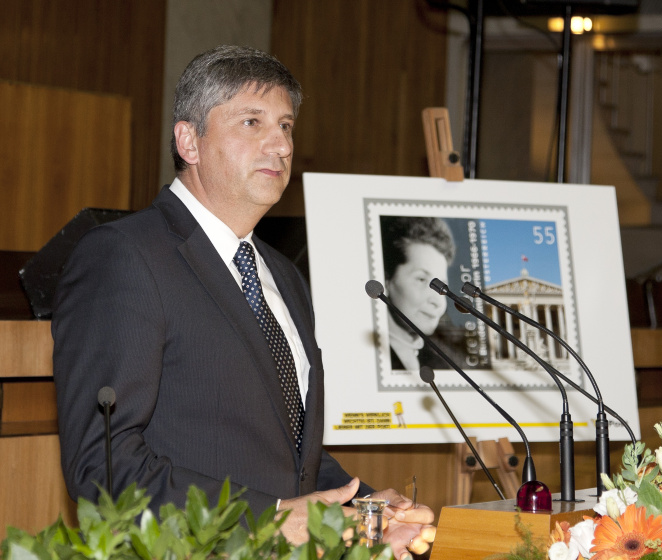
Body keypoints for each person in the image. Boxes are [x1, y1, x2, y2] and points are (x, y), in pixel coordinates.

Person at [52, 45, 433, 559]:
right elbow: (104, 468)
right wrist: (269, 519)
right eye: (252, 122)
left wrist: (367, 512)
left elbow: (289, 455)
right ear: (189, 140)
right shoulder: (125, 256)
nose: (279, 146)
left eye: (287, 127)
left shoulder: (283, 274)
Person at [381, 216, 457, 371]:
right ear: (387, 280)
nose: (438, 301)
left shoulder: (442, 365)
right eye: (422, 279)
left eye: (442, 286)